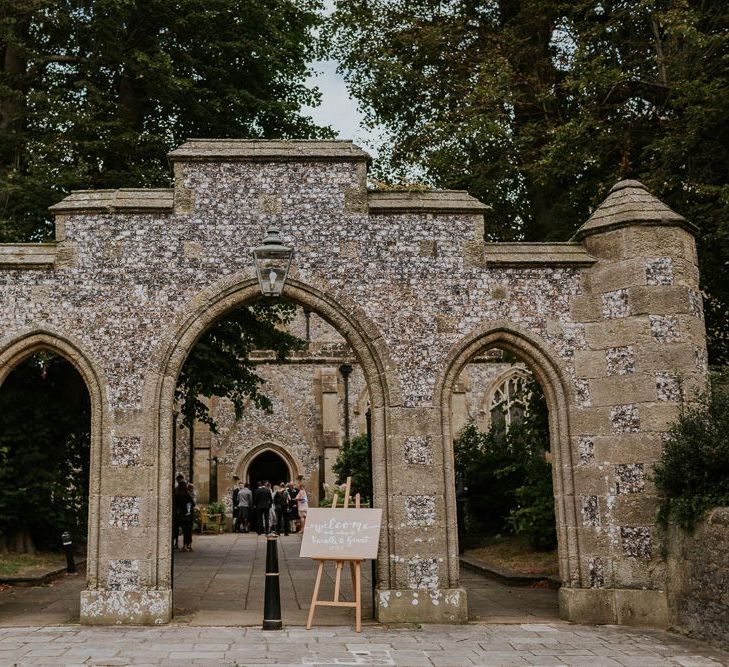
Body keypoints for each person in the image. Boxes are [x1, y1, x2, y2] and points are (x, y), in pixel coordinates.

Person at [174, 476, 195, 551]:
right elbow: (191, 504)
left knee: (176, 530)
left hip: (179, 515)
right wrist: (188, 512)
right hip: (187, 516)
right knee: (187, 531)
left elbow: (175, 505)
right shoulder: (187, 494)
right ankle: (186, 545)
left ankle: (176, 542)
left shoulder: (176, 493)